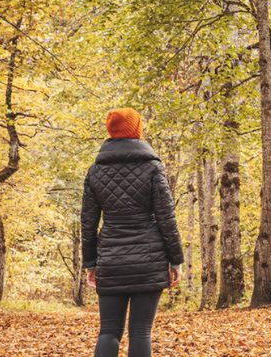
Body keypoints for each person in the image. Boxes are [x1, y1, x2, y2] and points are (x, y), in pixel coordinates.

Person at [81, 108, 184, 357]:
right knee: (140, 332)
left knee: (108, 332)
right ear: (137, 130)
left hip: (112, 260)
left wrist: (91, 263)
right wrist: (176, 260)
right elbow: (166, 217)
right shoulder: (152, 168)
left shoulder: (95, 171)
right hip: (149, 259)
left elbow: (88, 222)